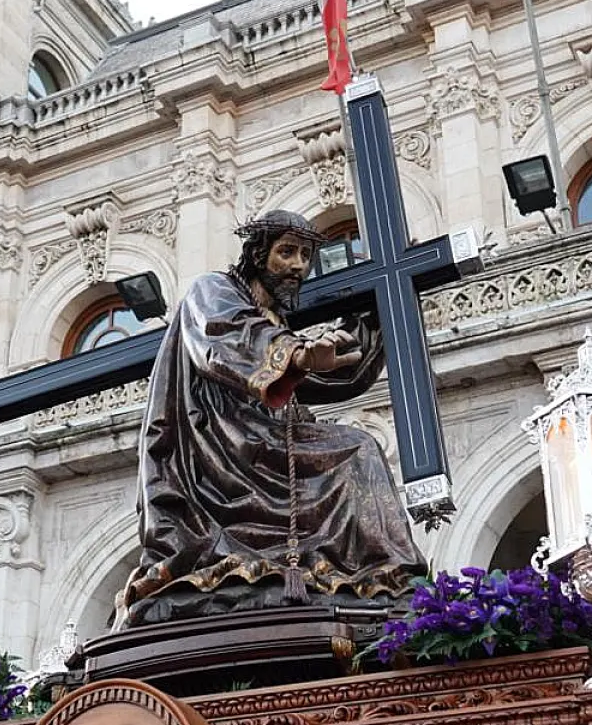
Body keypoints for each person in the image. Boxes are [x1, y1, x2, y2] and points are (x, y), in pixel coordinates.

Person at [117, 209, 426, 626]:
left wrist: (380, 303)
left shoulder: (277, 324)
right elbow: (227, 335)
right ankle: (388, 573)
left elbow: (333, 374)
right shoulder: (213, 289)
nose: (298, 265)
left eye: (305, 256)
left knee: (356, 451)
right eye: (286, 252)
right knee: (358, 449)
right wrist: (297, 355)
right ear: (257, 254)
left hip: (262, 445)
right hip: (217, 450)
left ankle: (385, 578)